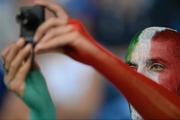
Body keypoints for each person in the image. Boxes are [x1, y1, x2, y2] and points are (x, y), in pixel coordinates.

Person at [1, 0, 180, 119]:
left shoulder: (84, 64)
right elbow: (11, 112)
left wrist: (45, 109)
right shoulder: (28, 64)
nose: (42, 23)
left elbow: (87, 110)